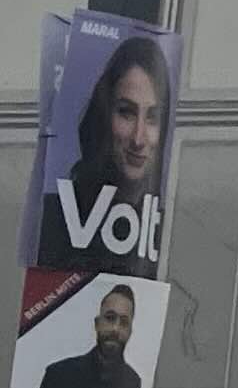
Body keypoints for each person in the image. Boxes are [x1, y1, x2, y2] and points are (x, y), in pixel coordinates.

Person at [32, 35, 168, 280]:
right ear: (104, 114)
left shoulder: (164, 225)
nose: (139, 139)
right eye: (126, 112)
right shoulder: (56, 215)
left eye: (152, 117)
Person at [25, 283, 146, 388]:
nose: (115, 328)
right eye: (110, 318)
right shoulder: (58, 375)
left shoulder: (132, 382)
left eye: (123, 322)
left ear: (130, 332)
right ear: (97, 324)